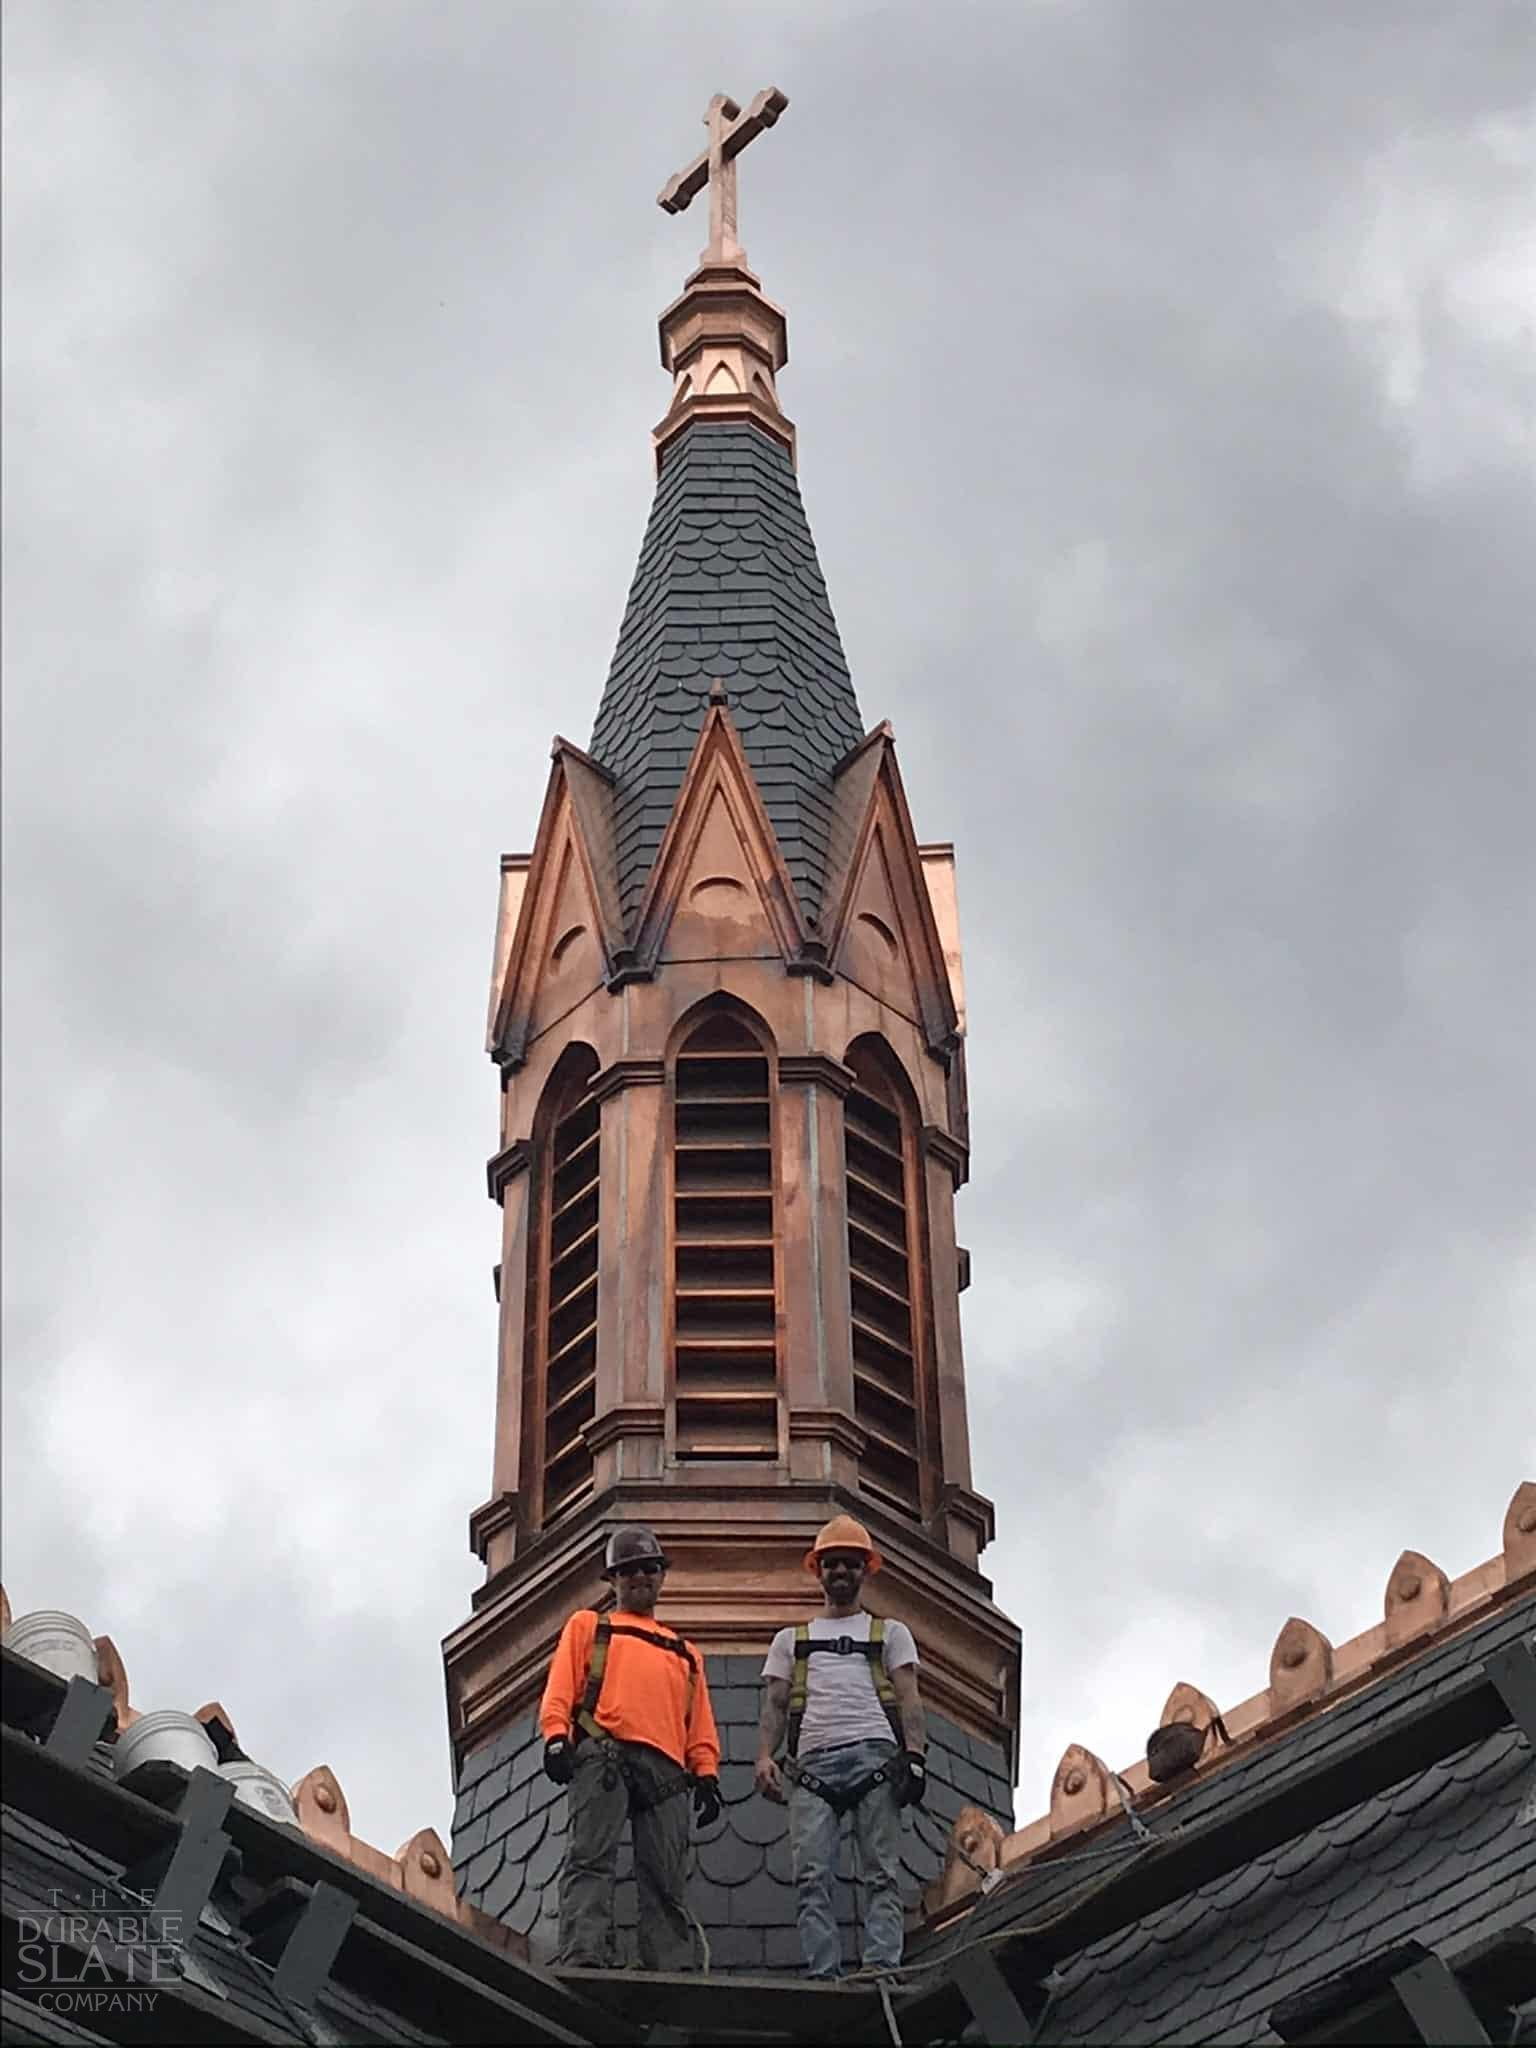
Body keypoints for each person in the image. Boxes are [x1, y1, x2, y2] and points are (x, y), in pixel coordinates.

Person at [540, 1524, 722, 1971]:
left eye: (648, 1569)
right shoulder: (590, 1626)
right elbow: (561, 1685)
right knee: (590, 1857)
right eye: (629, 1571)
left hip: (666, 1772)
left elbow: (698, 1722)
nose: (640, 1577)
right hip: (606, 1755)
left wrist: (707, 1773)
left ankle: (665, 1966)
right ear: (614, 1581)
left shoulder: (684, 1652)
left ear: (661, 1577)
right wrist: (556, 1736)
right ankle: (585, 1952)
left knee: (664, 1878)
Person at [754, 1514, 927, 1979]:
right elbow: (774, 1702)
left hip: (875, 1755)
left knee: (881, 1873)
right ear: (818, 1570)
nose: (841, 1572)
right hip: (811, 1766)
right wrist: (765, 1755)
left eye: (851, 1563)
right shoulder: (792, 1640)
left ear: (865, 1570)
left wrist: (915, 1757)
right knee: (812, 1876)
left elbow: (908, 1697)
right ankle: (824, 1973)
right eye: (832, 1563)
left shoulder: (889, 1633)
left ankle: (881, 1965)